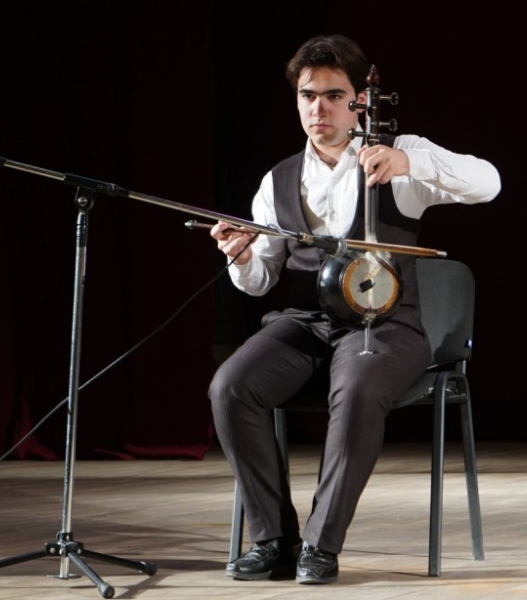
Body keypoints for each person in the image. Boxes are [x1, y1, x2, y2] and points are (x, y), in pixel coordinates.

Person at [206, 34, 500, 584]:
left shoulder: (396, 155)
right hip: (306, 324)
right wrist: (241, 256)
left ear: (360, 100)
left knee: (359, 386)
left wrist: (410, 161)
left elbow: (489, 182)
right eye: (307, 96)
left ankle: (320, 545)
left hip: (386, 324)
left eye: (333, 96)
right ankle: (274, 539)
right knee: (231, 386)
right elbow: (260, 280)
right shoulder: (278, 181)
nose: (318, 109)